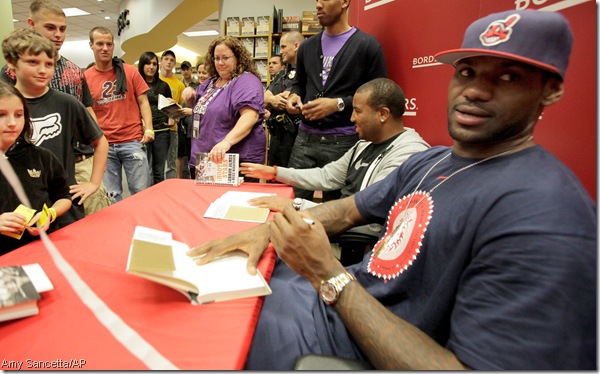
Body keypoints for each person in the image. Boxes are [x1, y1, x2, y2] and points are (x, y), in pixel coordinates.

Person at [188, 10, 596, 370]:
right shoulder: (432, 160)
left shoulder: (546, 216)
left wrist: (328, 274)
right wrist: (271, 231)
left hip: (341, 340)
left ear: (551, 90)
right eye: (467, 72)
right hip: (324, 300)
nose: (475, 90)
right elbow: (347, 210)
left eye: (508, 77)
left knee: (198, 339)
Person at [244, 77, 429, 213]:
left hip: (355, 241)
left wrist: (295, 205)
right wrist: (276, 172)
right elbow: (326, 176)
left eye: (357, 111)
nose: (352, 118)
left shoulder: (408, 154)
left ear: (383, 114)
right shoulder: (364, 146)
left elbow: (368, 213)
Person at [0, 0, 110, 216]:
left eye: (49, 64)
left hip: (62, 200)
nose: (42, 70)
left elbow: (99, 140)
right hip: (16, 201)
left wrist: (93, 182)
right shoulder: (7, 101)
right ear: (13, 64)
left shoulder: (67, 102)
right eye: (33, 62)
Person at [285, 0, 387, 203]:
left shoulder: (367, 45)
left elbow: (378, 94)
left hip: (344, 143)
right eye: (316, 0)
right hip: (304, 141)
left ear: (345, 2)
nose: (318, 5)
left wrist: (338, 104)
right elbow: (299, 84)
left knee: (336, 212)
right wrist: (293, 96)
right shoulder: (307, 47)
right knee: (291, 204)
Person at [0, 81, 72, 255]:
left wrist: (50, 214)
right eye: (1, 114)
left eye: (19, 114)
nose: (12, 123)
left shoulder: (42, 157)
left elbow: (64, 197)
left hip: (42, 248)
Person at [181, 36, 266, 181]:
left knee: (231, 202)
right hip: (207, 158)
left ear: (238, 58)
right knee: (206, 201)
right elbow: (201, 108)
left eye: (225, 58)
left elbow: (250, 116)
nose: (220, 63)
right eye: (216, 58)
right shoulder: (211, 82)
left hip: (235, 159)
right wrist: (190, 98)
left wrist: (227, 142)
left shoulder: (246, 80)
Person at [85, 26, 153, 204]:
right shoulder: (85, 78)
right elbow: (87, 111)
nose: (105, 48)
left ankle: (142, 227)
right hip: (104, 145)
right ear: (91, 45)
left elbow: (143, 102)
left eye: (109, 43)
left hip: (132, 140)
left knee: (141, 193)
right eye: (100, 44)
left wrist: (149, 129)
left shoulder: (129, 71)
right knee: (111, 195)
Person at [264, 31, 304, 168]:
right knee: (273, 182)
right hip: (277, 136)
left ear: (296, 46)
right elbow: (263, 97)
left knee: (292, 183)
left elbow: (287, 100)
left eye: (283, 47)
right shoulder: (283, 73)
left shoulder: (307, 71)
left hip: (296, 137)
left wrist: (272, 99)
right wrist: (273, 99)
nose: (280, 51)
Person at [138, 51, 172, 185]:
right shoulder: (135, 84)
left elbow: (170, 106)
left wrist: (172, 117)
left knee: (159, 171)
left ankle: (159, 197)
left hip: (162, 131)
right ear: (142, 65)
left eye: (154, 64)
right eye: (148, 63)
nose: (151, 67)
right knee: (142, 169)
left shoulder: (163, 86)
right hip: (142, 131)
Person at [159, 50, 185, 180]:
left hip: (172, 129)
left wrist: (176, 107)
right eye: (166, 59)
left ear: (175, 64)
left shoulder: (179, 84)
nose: (169, 62)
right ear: (161, 61)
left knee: (171, 164)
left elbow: (183, 108)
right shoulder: (154, 80)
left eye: (172, 60)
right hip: (154, 128)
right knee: (153, 165)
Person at [176, 60, 197, 179]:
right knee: (181, 154)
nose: (185, 71)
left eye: (187, 69)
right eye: (183, 69)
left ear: (190, 70)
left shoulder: (197, 86)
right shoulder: (179, 85)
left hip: (193, 126)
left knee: (192, 156)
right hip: (181, 125)